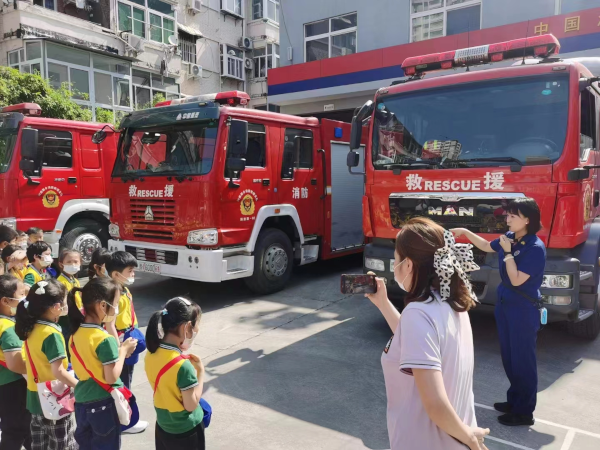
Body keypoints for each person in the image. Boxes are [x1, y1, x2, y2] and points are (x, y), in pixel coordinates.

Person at [367, 217, 489, 450]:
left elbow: (434, 403)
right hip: (455, 438)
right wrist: (383, 303)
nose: (395, 266)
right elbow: (416, 342)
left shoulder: (418, 314)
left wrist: (472, 442)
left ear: (409, 264)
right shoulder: (453, 305)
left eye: (396, 259)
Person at [451, 197, 546, 427]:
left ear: (527, 219)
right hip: (505, 304)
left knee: (523, 360)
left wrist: (508, 253)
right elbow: (485, 246)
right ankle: (514, 400)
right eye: (508, 215)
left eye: (513, 216)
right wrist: (465, 231)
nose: (507, 219)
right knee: (510, 357)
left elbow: (515, 279)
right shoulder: (511, 238)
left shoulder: (534, 248)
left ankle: (524, 412)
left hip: (523, 308)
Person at [68, 277, 138, 450]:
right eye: (115, 303)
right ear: (102, 306)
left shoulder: (75, 335)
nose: (117, 308)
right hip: (102, 404)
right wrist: (123, 351)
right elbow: (111, 376)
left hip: (82, 401)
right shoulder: (104, 339)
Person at [15, 279, 78, 450]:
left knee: (39, 444)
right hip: (54, 398)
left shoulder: (30, 327)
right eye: (65, 302)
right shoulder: (51, 334)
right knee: (62, 444)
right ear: (55, 307)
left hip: (34, 396)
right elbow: (58, 371)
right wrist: (80, 387)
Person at [145, 297, 205, 450]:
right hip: (186, 431)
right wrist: (200, 373)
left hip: (163, 425)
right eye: (196, 327)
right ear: (186, 327)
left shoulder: (151, 354)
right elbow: (191, 405)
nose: (196, 332)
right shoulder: (182, 366)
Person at [106, 251, 148, 434]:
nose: (133, 274)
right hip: (121, 341)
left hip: (129, 338)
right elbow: (109, 324)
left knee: (127, 377)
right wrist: (119, 348)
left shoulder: (124, 289)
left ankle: (124, 418)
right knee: (122, 382)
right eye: (130, 270)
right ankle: (125, 422)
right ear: (116, 274)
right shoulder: (112, 294)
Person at [0, 275, 31, 450]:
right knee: (15, 430)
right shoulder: (9, 328)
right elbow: (15, 364)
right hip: (14, 386)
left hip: (4, 385)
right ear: (6, 300)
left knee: (22, 429)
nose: (24, 299)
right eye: (21, 294)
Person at [56, 249, 83, 359]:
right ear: (61, 264)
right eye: (69, 262)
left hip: (76, 318)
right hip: (66, 320)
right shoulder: (60, 282)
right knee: (68, 345)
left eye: (76, 262)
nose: (73, 264)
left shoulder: (75, 280)